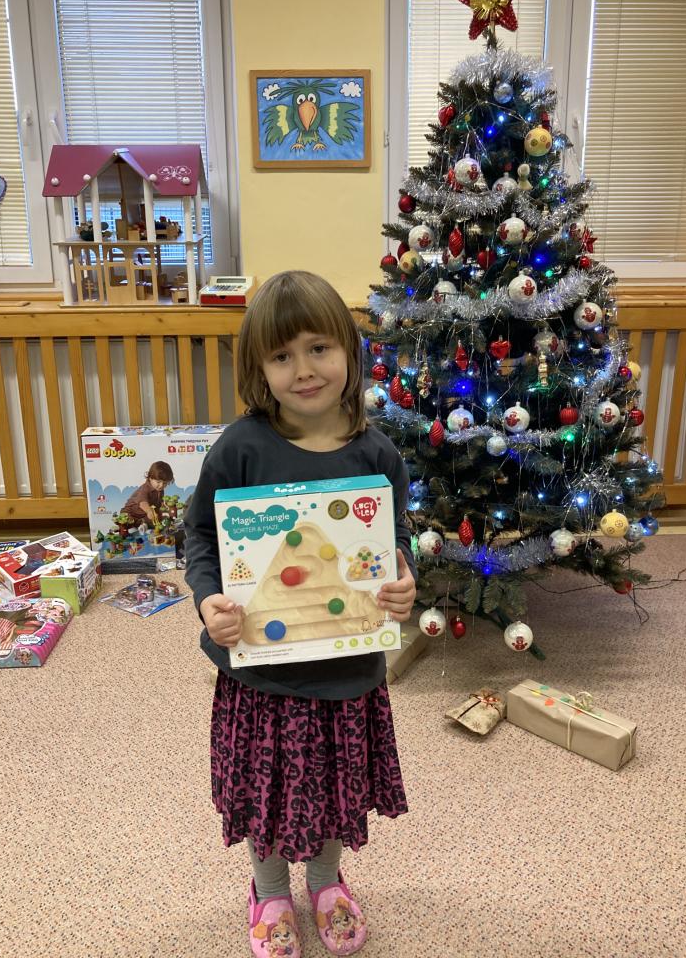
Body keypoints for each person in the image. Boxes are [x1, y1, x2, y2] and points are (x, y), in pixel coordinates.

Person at [184, 270, 417, 957]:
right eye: (282, 356)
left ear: (349, 349)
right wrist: (208, 599)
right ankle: (268, 891)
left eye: (319, 348)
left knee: (336, 784)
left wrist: (404, 577)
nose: (304, 370)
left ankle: (324, 880)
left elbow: (393, 540)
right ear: (259, 369)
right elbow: (201, 537)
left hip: (347, 668)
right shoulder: (240, 448)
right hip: (262, 671)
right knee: (266, 789)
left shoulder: (377, 452)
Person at [122, 460, 174, 526]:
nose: (161, 485)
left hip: (143, 515)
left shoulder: (160, 490)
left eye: (165, 483)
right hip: (130, 513)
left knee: (159, 518)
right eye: (158, 482)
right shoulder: (144, 489)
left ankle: (141, 523)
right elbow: (143, 503)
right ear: (150, 478)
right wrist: (149, 511)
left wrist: (164, 509)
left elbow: (159, 504)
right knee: (128, 521)